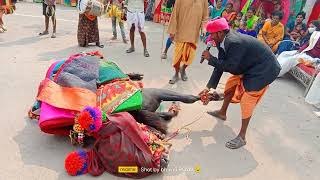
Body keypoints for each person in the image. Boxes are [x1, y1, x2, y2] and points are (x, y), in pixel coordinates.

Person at [200, 18, 281, 149]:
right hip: (250, 65)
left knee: (248, 99)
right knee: (231, 83)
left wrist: (210, 58)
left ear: (220, 33)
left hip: (265, 69)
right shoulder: (223, 41)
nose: (210, 37)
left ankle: (242, 137)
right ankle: (222, 112)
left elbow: (231, 68)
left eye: (212, 34)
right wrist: (208, 88)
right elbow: (221, 66)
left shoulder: (233, 42)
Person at [167, 0, 208, 84]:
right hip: (181, 32)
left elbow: (205, 17)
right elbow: (175, 14)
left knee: (190, 57)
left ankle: (183, 69)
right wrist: (172, 30)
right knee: (177, 56)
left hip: (193, 34)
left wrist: (204, 28)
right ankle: (176, 74)